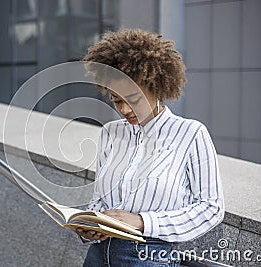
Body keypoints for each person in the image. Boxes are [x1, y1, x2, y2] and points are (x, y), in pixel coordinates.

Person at [76, 28, 225, 266]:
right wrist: (92, 224)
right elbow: (99, 200)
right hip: (97, 256)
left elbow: (211, 209)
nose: (124, 110)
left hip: (150, 257)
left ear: (158, 88)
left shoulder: (190, 134)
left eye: (133, 100)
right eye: (116, 100)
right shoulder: (110, 133)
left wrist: (142, 222)